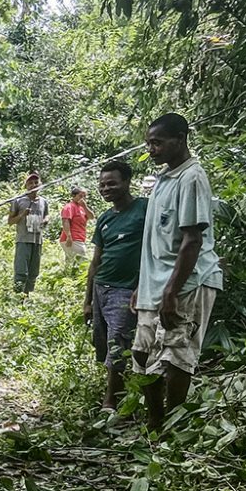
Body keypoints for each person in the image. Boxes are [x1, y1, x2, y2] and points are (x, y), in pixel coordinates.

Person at [132, 113, 223, 431]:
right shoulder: (163, 180)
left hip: (187, 283)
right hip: (155, 285)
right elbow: (156, 243)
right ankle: (154, 423)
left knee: (176, 355)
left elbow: (192, 240)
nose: (152, 149)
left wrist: (171, 290)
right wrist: (142, 287)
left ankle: (172, 429)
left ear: (180, 139)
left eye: (157, 142)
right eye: (149, 143)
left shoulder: (192, 177)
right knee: (143, 354)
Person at [83, 161, 148, 410]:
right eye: (102, 185)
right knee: (103, 342)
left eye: (112, 183)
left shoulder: (144, 208)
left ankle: (111, 401)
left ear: (127, 182)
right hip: (102, 287)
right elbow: (96, 261)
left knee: (117, 342)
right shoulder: (105, 219)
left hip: (126, 288)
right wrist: (87, 300)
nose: (106, 188)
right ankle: (116, 389)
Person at [8, 172, 49, 294]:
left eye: (36, 182)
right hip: (23, 240)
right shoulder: (18, 201)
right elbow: (10, 221)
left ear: (40, 184)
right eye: (30, 183)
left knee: (34, 272)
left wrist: (46, 220)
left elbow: (46, 214)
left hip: (37, 240)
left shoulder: (43, 201)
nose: (33, 185)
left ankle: (27, 297)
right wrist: (22, 215)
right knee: (21, 271)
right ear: (26, 186)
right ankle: (17, 296)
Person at [59, 186, 94, 264]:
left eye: (85, 196)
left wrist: (85, 206)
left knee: (71, 262)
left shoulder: (82, 208)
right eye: (80, 196)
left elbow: (91, 217)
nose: (83, 198)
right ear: (74, 196)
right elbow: (65, 221)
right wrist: (69, 236)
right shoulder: (69, 207)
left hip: (80, 238)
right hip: (72, 238)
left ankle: (68, 275)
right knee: (82, 261)